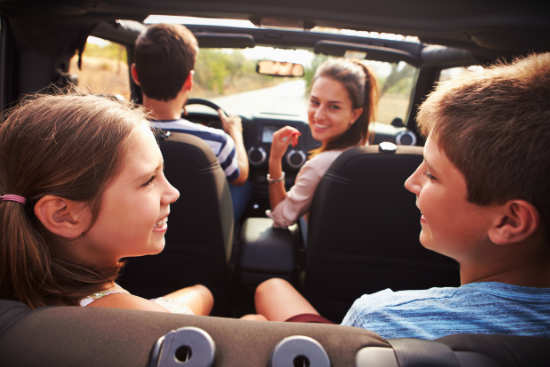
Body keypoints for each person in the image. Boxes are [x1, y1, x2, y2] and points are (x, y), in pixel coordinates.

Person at [247, 52, 550, 340]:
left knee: (255, 317)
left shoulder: (380, 318)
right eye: (315, 102)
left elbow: (282, 217)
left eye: (431, 174)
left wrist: (275, 164)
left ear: (510, 221)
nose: (409, 181)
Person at [0, 93, 213, 315]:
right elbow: (177, 311)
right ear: (63, 214)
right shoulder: (144, 322)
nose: (173, 193)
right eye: (149, 180)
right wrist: (203, 296)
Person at [131, 23, 251, 221]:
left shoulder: (115, 134)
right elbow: (241, 176)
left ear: (135, 74)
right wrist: (235, 132)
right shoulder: (218, 142)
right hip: (199, 239)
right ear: (189, 81)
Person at [267, 58, 378, 228]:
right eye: (315, 102)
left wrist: (274, 160)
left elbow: (281, 218)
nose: (318, 115)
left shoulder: (319, 166)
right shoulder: (365, 151)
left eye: (334, 107)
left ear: (355, 115)